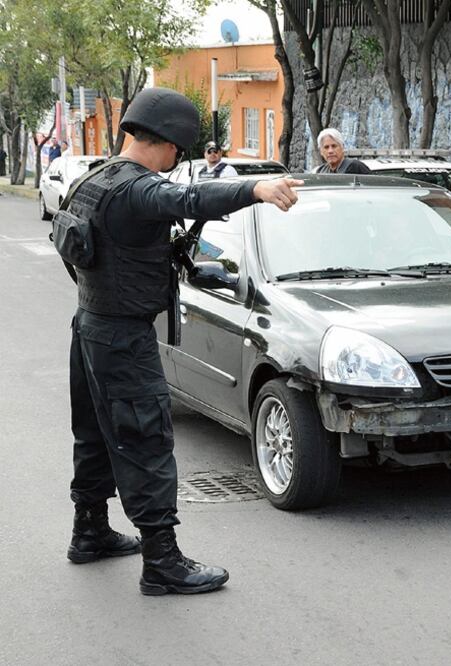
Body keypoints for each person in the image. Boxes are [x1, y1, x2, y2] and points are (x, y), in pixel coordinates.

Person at [61, 87, 303, 594]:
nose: (176, 162)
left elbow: (73, 251)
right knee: (146, 439)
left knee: (96, 434)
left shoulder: (93, 180)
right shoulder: (137, 189)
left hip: (89, 326)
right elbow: (188, 198)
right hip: (122, 337)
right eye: (178, 152)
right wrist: (254, 190)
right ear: (169, 142)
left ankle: (90, 531)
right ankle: (162, 562)